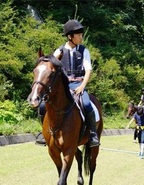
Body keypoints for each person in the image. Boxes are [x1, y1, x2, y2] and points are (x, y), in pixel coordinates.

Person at [38, 19, 100, 147]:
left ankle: (93, 134)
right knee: (43, 105)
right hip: (64, 87)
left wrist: (83, 86)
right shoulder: (59, 51)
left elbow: (88, 71)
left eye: (81, 34)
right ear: (70, 36)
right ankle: (43, 133)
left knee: (87, 104)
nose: (81, 37)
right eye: (78, 35)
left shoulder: (84, 51)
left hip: (78, 85)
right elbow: (50, 67)